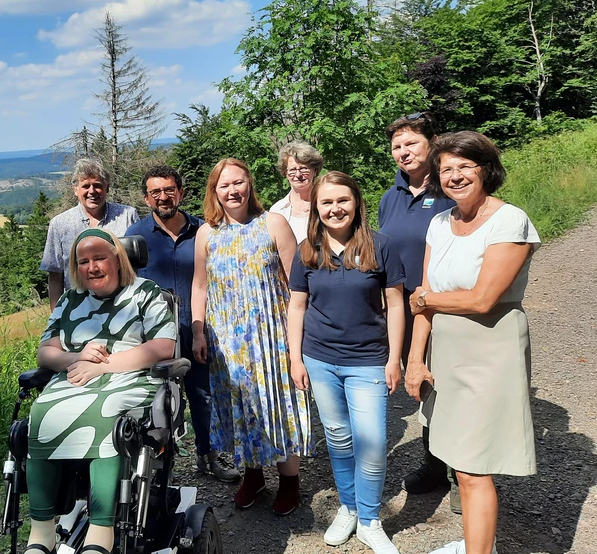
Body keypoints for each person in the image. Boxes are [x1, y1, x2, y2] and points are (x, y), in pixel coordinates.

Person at [405, 131, 540, 554]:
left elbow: (483, 299)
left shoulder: (509, 220)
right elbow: (423, 299)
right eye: (446, 169)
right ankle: (475, 545)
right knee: (457, 457)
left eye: (465, 166)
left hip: (489, 350)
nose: (455, 176)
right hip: (445, 352)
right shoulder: (439, 223)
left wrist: (426, 299)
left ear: (486, 170)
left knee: (473, 467)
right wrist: (415, 359)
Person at [25, 228, 176, 554]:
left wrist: (104, 366)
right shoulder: (69, 301)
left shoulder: (145, 293)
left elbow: (163, 346)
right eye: (83, 262)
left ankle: (101, 530)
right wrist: (76, 357)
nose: (92, 267)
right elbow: (45, 352)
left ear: (117, 260)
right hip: (76, 379)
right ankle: (42, 532)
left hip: (131, 378)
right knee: (40, 413)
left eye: (99, 258)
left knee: (106, 412)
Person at [287, 172, 406, 554]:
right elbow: (297, 306)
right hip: (319, 359)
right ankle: (349, 507)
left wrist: (395, 358)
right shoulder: (307, 250)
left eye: (343, 200)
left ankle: (370, 521)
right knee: (338, 439)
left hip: (368, 360)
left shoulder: (380, 246)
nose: (335, 208)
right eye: (327, 202)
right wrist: (295, 359)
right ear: (316, 208)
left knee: (372, 443)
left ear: (356, 203)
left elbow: (396, 304)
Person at [191, 158, 313, 516]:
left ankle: (289, 481)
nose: (233, 191)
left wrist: (299, 338)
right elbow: (200, 285)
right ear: (215, 192)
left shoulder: (273, 223)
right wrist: (198, 331)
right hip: (226, 342)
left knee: (279, 403)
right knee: (242, 407)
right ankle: (254, 474)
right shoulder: (206, 233)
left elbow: (297, 284)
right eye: (225, 185)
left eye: (239, 182)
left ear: (249, 184)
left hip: (272, 336)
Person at [125, 165, 240, 483]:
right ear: (146, 198)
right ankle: (157, 464)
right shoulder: (135, 236)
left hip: (198, 327)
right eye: (155, 192)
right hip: (154, 334)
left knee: (204, 396)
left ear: (181, 193)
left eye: (169, 190)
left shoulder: (203, 230)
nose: (163, 197)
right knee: (155, 399)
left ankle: (210, 454)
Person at [377, 112, 456, 499]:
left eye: (411, 143)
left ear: (432, 143)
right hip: (405, 310)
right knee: (423, 383)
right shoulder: (389, 198)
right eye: (397, 146)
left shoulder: (451, 188)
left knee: (452, 384)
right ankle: (435, 465)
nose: (404, 152)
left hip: (447, 306)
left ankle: (463, 474)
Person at [40, 158, 139, 309]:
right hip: (78, 309)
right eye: (85, 186)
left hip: (125, 306)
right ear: (75, 190)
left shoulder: (127, 215)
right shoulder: (59, 224)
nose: (92, 191)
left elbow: (140, 266)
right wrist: (56, 316)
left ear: (107, 188)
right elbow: (55, 275)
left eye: (97, 185)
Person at [269, 141, 324, 243]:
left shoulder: (327, 204)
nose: (298, 175)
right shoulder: (277, 210)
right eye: (293, 170)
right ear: (285, 173)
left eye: (303, 169)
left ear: (315, 171)